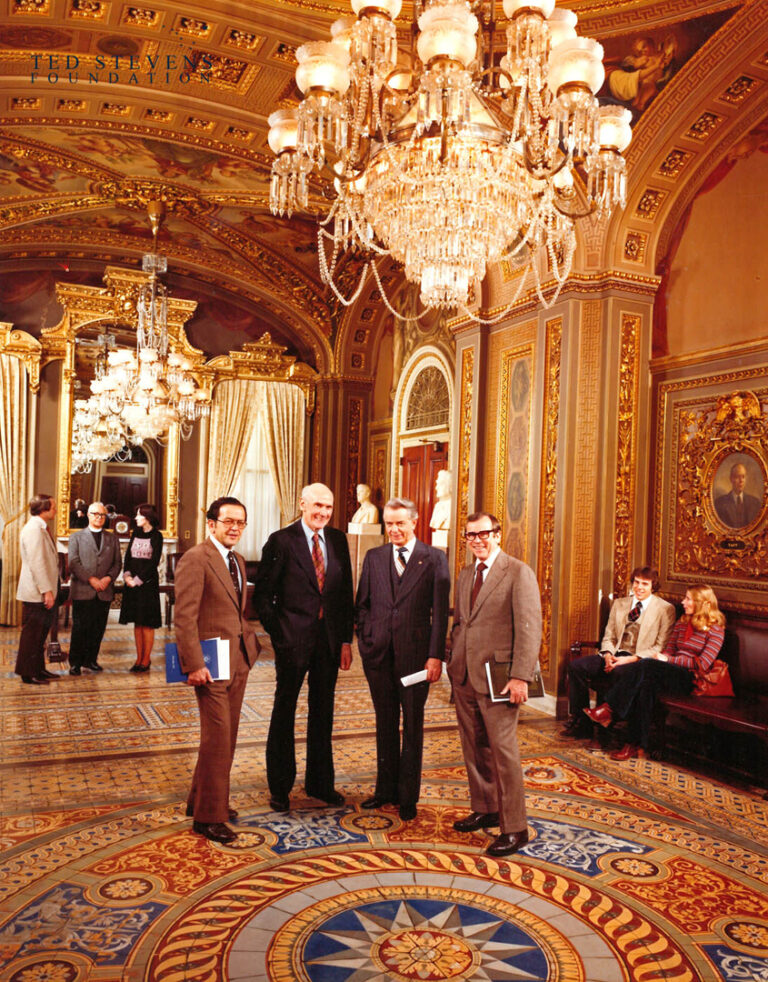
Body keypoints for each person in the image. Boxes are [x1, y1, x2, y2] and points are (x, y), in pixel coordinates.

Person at [255, 482, 354, 813]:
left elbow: (343, 595)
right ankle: (280, 788)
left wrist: (344, 641)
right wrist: (280, 635)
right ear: (302, 504)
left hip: (328, 643)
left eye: (328, 507)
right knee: (284, 712)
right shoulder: (281, 541)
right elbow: (262, 598)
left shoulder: (338, 540)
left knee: (323, 713)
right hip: (292, 642)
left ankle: (320, 784)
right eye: (317, 506)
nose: (323, 512)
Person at [448, 511, 542, 857]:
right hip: (464, 675)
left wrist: (520, 676)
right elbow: (461, 624)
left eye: (483, 534)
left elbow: (530, 629)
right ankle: (486, 807)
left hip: (501, 679)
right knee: (474, 748)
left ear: (497, 534)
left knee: (503, 753)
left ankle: (515, 827)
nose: (477, 540)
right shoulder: (466, 573)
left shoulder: (518, 572)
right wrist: (452, 659)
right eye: (470, 535)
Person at [355, 497, 450, 821]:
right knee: (384, 723)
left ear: (414, 521)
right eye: (389, 524)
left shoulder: (434, 559)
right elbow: (363, 604)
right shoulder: (374, 557)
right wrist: (367, 640)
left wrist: (435, 656)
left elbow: (440, 615)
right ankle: (384, 790)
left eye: (400, 523)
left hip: (416, 660)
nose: (394, 529)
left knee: (412, 726)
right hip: (378, 656)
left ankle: (407, 796)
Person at [175, 496, 261, 844]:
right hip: (208, 665)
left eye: (240, 522)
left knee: (226, 736)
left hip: (237, 660)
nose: (235, 528)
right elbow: (184, 617)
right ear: (211, 524)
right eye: (228, 521)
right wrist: (193, 665)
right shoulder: (196, 559)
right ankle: (208, 818)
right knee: (218, 737)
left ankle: (202, 800)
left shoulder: (237, 559)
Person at [585, 585, 726, 760]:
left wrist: (668, 660)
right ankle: (636, 745)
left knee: (647, 665)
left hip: (690, 678)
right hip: (667, 672)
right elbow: (669, 649)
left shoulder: (716, 630)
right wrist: (665, 658)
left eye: (688, 599)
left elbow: (703, 664)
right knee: (645, 687)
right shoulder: (682, 623)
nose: (683, 602)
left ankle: (609, 708)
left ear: (702, 603)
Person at [563, 565, 676, 739]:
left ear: (653, 586)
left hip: (638, 661)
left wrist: (630, 660)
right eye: (636, 582)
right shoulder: (620, 604)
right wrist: (608, 655)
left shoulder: (665, 609)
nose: (639, 587)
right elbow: (609, 636)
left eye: (645, 584)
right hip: (614, 654)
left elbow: (660, 647)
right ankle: (582, 721)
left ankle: (607, 721)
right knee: (576, 666)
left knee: (620, 673)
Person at [68, 501, 122, 675]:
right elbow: (74, 562)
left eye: (102, 515)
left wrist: (107, 579)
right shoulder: (76, 537)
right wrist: (91, 579)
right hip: (83, 589)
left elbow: (117, 563)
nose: (99, 518)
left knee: (98, 628)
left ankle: (91, 660)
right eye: (95, 514)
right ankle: (75, 663)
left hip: (104, 591)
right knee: (80, 628)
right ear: (88, 515)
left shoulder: (112, 538)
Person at [15, 493, 60, 686]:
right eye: (53, 506)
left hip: (41, 591)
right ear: (43, 509)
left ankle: (38, 668)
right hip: (36, 593)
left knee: (40, 634)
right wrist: (46, 591)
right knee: (32, 635)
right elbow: (37, 563)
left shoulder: (40, 528)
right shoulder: (33, 530)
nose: (56, 509)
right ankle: (27, 672)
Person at [119, 504, 163, 673]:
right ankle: (138, 660)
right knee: (137, 623)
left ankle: (146, 660)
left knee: (147, 624)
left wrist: (137, 580)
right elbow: (128, 557)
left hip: (147, 586)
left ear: (147, 517)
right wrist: (127, 576)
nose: (135, 518)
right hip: (131, 585)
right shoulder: (136, 533)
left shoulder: (157, 536)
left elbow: (153, 563)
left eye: (138, 515)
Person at [714, 462, 761, 528]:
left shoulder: (755, 503)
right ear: (731, 479)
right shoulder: (720, 503)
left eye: (743, 477)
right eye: (737, 477)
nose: (741, 480)